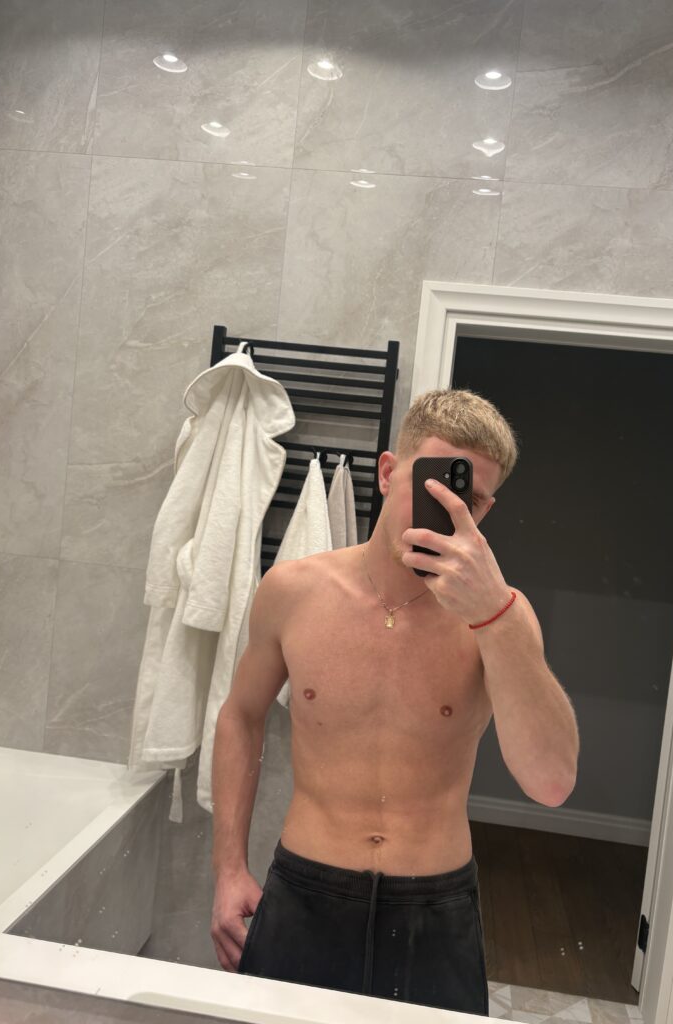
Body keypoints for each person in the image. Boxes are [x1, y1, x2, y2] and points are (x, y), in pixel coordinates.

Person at [209, 388, 579, 1016]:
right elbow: (240, 717)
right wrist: (228, 869)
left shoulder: (503, 616)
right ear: (387, 472)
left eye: (468, 498)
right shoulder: (293, 591)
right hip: (304, 891)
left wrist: (494, 616)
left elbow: (551, 783)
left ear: (486, 508)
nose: (447, 506)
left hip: (435, 908)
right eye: (431, 482)